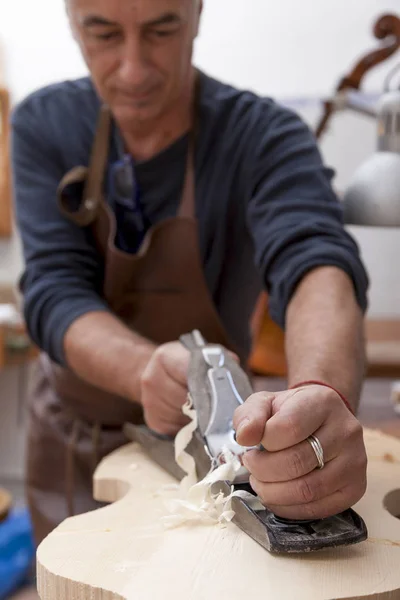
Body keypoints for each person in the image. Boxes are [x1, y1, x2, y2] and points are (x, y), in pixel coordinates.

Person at [11, 0, 369, 547]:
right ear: (71, 22)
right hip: (74, 450)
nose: (133, 70)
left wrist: (321, 392)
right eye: (103, 34)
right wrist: (140, 368)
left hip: (224, 463)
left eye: (161, 30)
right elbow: (54, 289)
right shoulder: (45, 124)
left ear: (197, 14)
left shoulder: (263, 135)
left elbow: (315, 262)